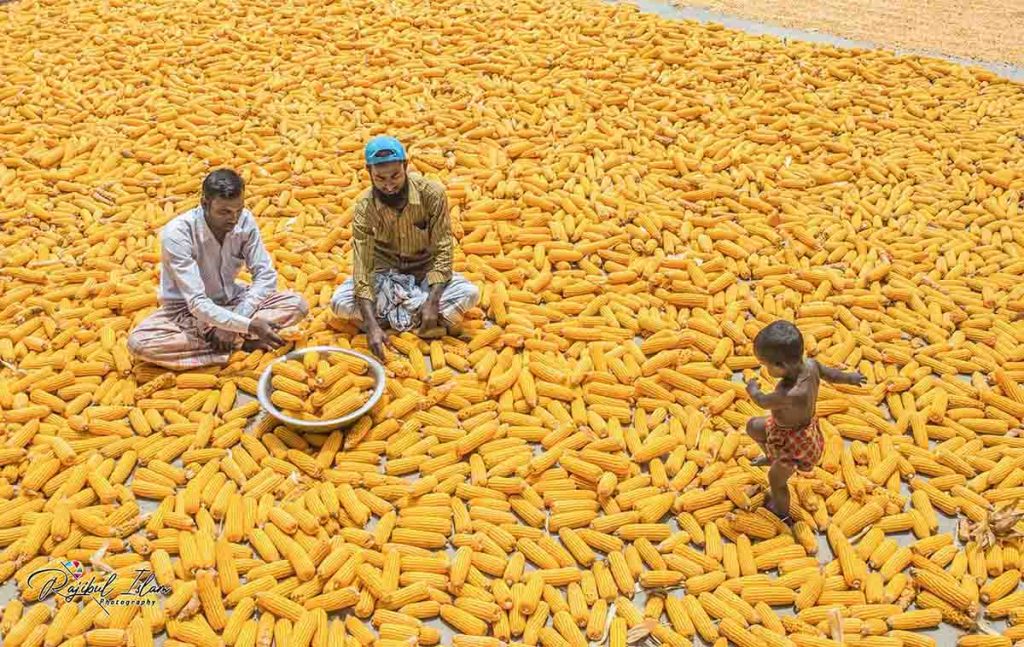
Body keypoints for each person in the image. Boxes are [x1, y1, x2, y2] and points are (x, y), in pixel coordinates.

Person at [127, 169, 308, 370]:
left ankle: (223, 343)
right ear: (205, 204)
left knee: (297, 304)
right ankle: (242, 343)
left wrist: (237, 319)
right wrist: (246, 326)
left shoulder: (244, 221)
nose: (233, 219)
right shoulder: (178, 234)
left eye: (238, 210)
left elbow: (265, 276)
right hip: (186, 312)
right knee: (140, 344)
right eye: (224, 212)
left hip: (231, 298)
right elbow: (196, 302)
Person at [331, 135, 480, 358]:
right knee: (339, 304)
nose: (389, 185)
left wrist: (433, 300)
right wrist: (372, 327)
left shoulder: (432, 194)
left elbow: (443, 250)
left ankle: (399, 318)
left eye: (395, 176)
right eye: (380, 178)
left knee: (470, 294)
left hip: (425, 274)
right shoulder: (364, 207)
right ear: (368, 172)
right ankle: (417, 321)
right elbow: (362, 268)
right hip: (386, 278)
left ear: (406, 166)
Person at [744, 320, 866, 521]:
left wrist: (753, 390)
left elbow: (763, 402)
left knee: (776, 480)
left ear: (781, 366)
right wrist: (851, 378)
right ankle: (771, 456)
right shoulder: (812, 365)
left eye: (765, 365)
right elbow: (832, 375)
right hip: (782, 430)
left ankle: (781, 511)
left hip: (796, 445)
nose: (765, 369)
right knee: (753, 427)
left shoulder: (790, 392)